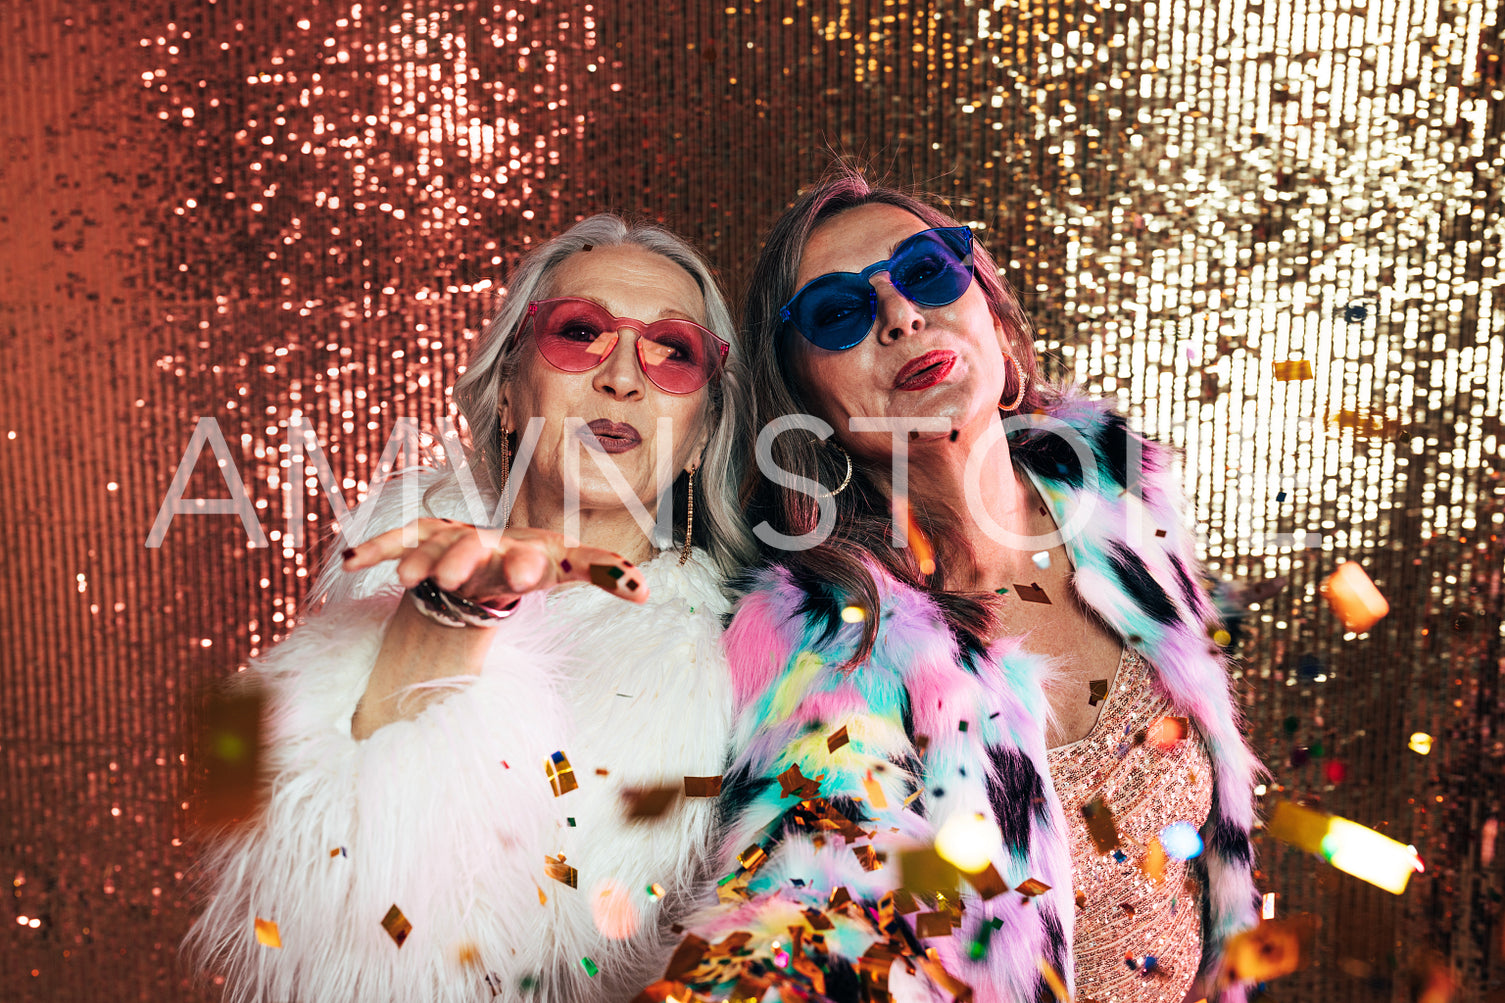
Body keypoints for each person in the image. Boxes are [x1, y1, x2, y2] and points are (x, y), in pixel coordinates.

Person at [654, 171, 1262, 1002]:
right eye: (839, 312)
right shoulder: (829, 644)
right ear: (802, 399)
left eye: (927, 271)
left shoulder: (1122, 500)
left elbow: (1205, 850)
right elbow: (800, 916)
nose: (901, 314)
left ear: (991, 311)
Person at [184, 214, 755, 1003]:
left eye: (672, 350)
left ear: (699, 437)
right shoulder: (370, 592)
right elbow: (303, 913)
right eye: (580, 331)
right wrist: (444, 622)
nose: (623, 376)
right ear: (510, 390)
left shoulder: (752, 658)